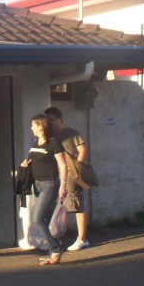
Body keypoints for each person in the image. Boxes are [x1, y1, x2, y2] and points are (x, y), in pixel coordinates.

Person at [20, 113, 68, 265]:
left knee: (37, 219)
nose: (31, 127)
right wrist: (25, 164)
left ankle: (55, 248)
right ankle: (53, 254)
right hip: (37, 184)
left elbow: (62, 165)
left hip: (49, 184)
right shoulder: (35, 142)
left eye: (34, 124)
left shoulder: (53, 143)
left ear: (41, 126)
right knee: (44, 219)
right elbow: (33, 160)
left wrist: (63, 186)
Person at [45, 106, 91, 251]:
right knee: (56, 205)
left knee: (75, 204)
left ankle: (82, 239)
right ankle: (56, 237)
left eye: (52, 120)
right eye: (48, 120)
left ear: (60, 119)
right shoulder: (49, 136)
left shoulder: (71, 133)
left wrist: (76, 167)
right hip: (54, 174)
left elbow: (82, 149)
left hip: (70, 173)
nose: (50, 123)